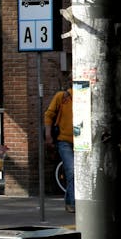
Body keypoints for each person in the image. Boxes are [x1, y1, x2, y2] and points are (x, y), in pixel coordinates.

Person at [44, 78, 75, 213]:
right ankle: (73, 203)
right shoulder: (62, 97)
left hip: (83, 143)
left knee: (74, 173)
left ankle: (69, 201)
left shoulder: (87, 95)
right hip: (65, 141)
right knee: (72, 170)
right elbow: (49, 115)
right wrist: (48, 135)